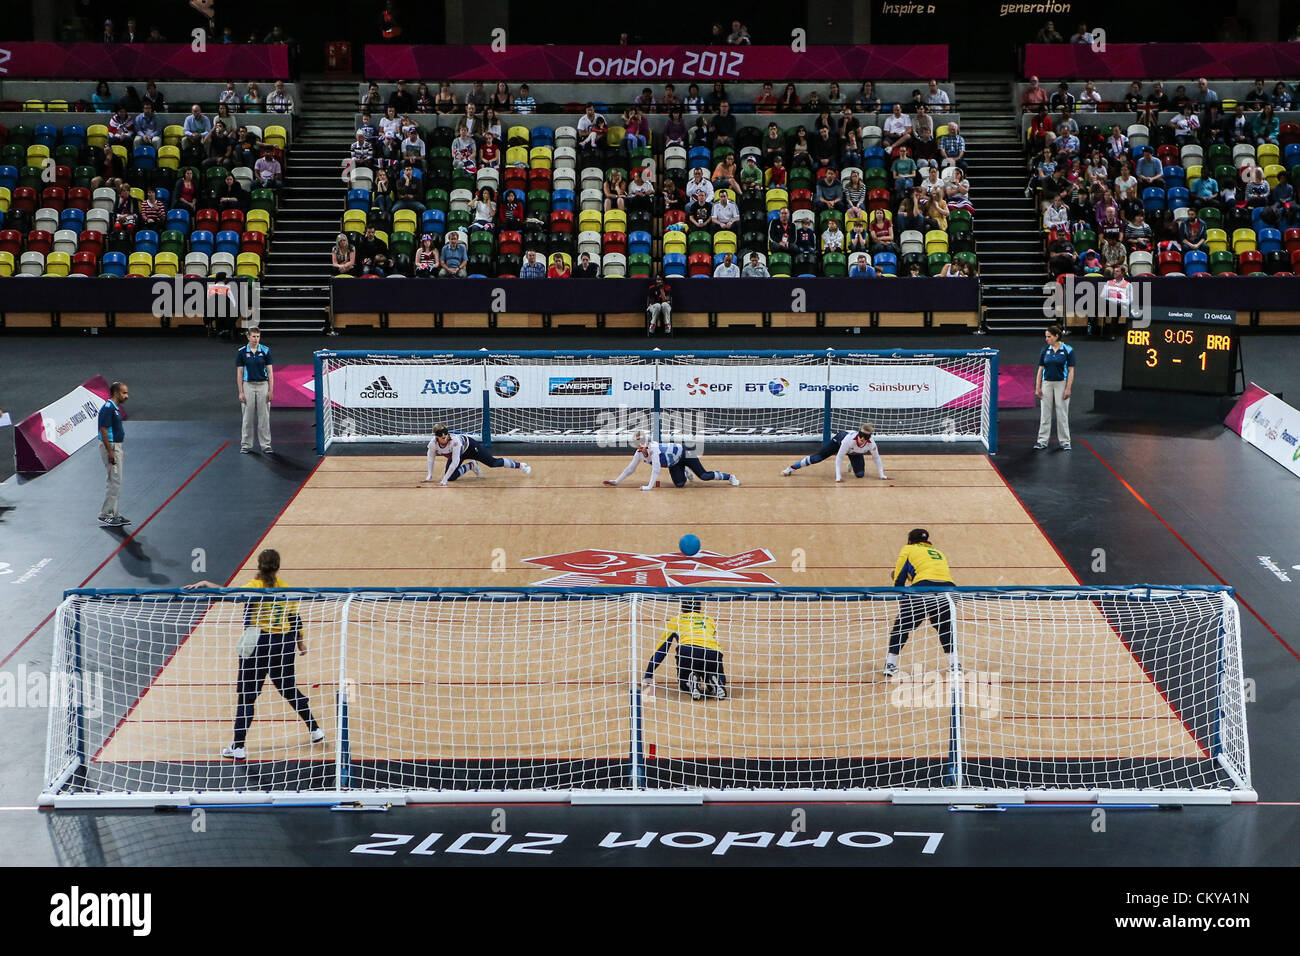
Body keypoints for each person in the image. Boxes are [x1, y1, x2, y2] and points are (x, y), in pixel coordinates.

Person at [185, 549, 325, 761]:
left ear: (259, 565)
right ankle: (315, 730)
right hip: (283, 645)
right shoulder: (287, 589)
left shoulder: (254, 586)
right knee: (288, 689)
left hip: (256, 644)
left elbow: (229, 595)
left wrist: (206, 583)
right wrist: (300, 643)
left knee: (247, 697)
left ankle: (238, 746)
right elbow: (295, 619)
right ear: (277, 567)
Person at [882, 529, 957, 678]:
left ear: (909, 541)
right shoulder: (938, 552)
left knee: (902, 626)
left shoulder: (908, 549)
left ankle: (890, 664)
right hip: (949, 590)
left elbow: (899, 578)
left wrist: (902, 597)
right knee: (945, 628)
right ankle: (955, 665)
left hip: (922, 589)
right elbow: (929, 573)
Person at [642, 599, 727, 701]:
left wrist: (648, 675)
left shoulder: (676, 620)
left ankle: (692, 682)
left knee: (683, 682)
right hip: (712, 653)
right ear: (699, 607)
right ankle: (716, 682)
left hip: (688, 651)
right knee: (714, 672)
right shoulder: (709, 620)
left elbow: (661, 651)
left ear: (682, 608)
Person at [603, 430, 739, 490]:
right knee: (680, 485)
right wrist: (616, 481)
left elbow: (656, 469)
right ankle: (685, 471)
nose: (639, 445)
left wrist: (649, 487)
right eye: (637, 443)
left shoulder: (653, 448)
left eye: (641, 441)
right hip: (674, 463)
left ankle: (730, 477)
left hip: (685, 452)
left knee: (703, 476)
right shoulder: (638, 454)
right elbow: (630, 469)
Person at [425, 424, 531, 484]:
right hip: (458, 454)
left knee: (493, 463)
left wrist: (444, 481)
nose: (445, 439)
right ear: (436, 437)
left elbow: (455, 462)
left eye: (446, 436)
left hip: (471, 448)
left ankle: (520, 465)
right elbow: (430, 459)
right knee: (451, 477)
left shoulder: (455, 441)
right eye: (442, 437)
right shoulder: (433, 444)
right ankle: (471, 465)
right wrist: (429, 475)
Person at [781, 423, 888, 481]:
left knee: (860, 475)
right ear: (858, 434)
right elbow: (839, 457)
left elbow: (876, 458)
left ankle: (852, 462)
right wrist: (838, 476)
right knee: (817, 458)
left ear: (869, 437)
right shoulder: (849, 440)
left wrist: (882, 475)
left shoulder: (871, 443)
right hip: (839, 442)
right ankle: (791, 468)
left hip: (853, 451)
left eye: (866, 437)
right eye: (861, 435)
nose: (862, 438)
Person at [1035, 324, 1074, 451]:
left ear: (1056, 336)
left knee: (1062, 413)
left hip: (1061, 383)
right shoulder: (1045, 350)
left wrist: (1068, 388)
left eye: (1049, 337)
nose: (1046, 339)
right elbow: (1040, 369)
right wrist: (1038, 387)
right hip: (1046, 383)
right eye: (1046, 337)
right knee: (1045, 413)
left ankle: (1065, 441)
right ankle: (1042, 441)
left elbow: (1071, 371)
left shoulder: (1068, 350)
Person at [97, 381, 130, 526]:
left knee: (116, 480)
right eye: (124, 393)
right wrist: (111, 452)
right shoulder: (108, 408)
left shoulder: (115, 408)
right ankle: (105, 514)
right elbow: (103, 430)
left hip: (116, 447)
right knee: (114, 481)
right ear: (116, 393)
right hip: (111, 447)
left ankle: (115, 513)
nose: (126, 396)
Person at [236, 327, 273, 455]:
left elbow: (270, 372)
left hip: (263, 385)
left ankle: (266, 445)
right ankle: (246, 445)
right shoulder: (242, 352)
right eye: (254, 336)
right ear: (248, 337)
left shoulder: (266, 350)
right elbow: (240, 373)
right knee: (247, 416)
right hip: (248, 385)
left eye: (258, 336)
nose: (256, 339)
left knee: (264, 417)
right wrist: (241, 392)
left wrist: (271, 390)